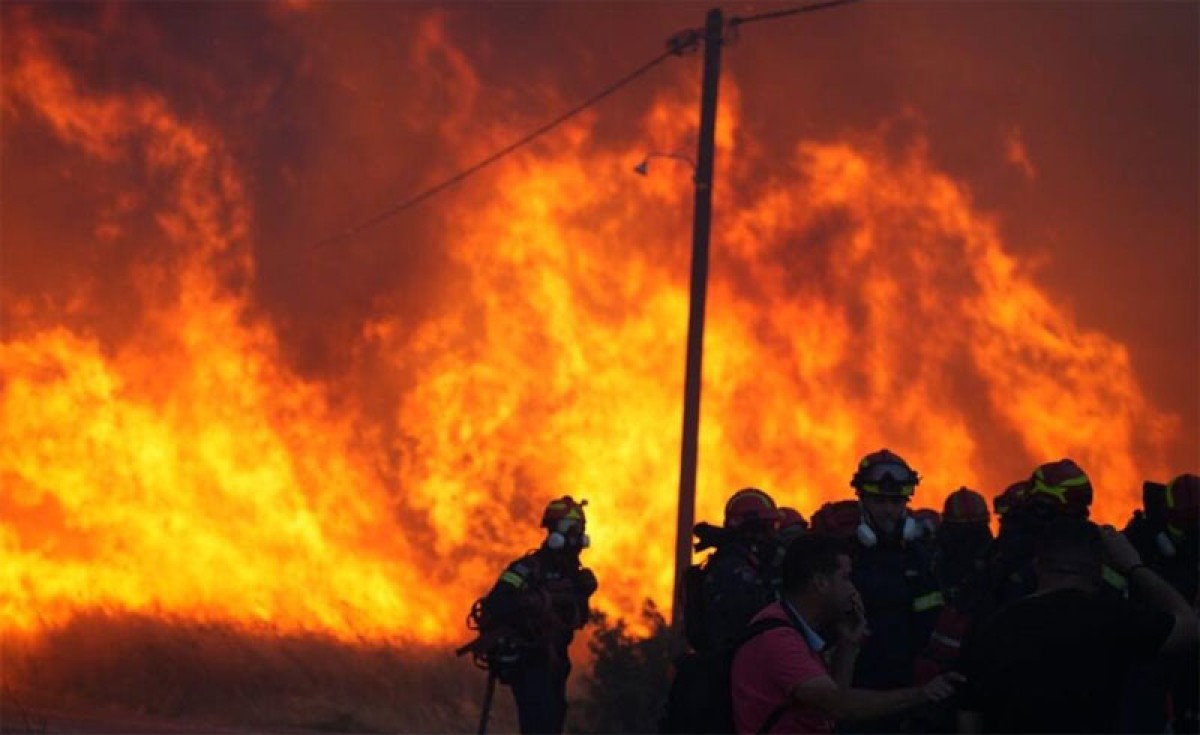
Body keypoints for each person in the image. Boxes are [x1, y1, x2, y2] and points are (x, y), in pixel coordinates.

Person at [957, 516, 1199, 733]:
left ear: (1037, 565)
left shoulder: (997, 626)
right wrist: (1134, 566)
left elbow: (970, 715)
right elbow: (1191, 628)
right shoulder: (1117, 619)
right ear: (1099, 569)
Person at [731, 535, 962, 734]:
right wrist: (923, 693)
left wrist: (849, 644)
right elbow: (838, 705)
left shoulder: (795, 629)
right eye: (845, 577)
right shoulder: (779, 640)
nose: (852, 589)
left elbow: (828, 708)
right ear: (820, 583)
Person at [837, 449, 944, 733]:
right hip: (850, 687)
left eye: (896, 501)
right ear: (862, 499)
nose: (888, 510)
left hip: (904, 690)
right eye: (879, 500)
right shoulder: (841, 552)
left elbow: (929, 620)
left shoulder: (918, 557)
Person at [475, 496, 598, 734]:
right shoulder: (526, 569)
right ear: (553, 532)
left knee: (553, 721)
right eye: (569, 529)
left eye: (580, 529)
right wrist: (531, 604)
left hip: (556, 664)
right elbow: (496, 604)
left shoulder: (573, 576)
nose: (576, 535)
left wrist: (581, 595)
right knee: (538, 725)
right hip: (529, 662)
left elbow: (578, 619)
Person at [690, 488, 783, 653]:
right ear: (752, 529)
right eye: (769, 527)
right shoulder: (732, 570)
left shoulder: (746, 563)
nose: (773, 534)